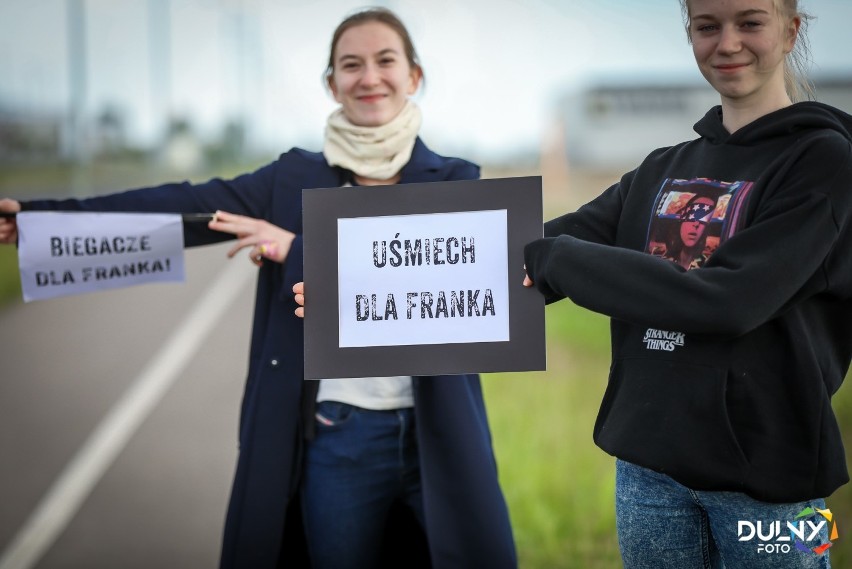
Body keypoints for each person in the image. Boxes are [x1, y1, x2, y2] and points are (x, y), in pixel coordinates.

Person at [0, 8, 516, 569]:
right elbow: (185, 208)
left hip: (438, 431)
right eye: (351, 65)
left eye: (385, 60)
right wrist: (42, 223)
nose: (369, 77)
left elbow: (429, 284)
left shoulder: (456, 182)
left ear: (413, 76)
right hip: (336, 432)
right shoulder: (292, 180)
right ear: (331, 84)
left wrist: (295, 250)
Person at [522, 0, 851, 567]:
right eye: (707, 26)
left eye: (750, 22)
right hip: (649, 469)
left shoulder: (825, 162)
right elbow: (538, 249)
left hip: (774, 480)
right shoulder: (660, 168)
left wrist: (561, 262)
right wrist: (344, 282)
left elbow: (729, 300)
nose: (727, 43)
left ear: (791, 29)